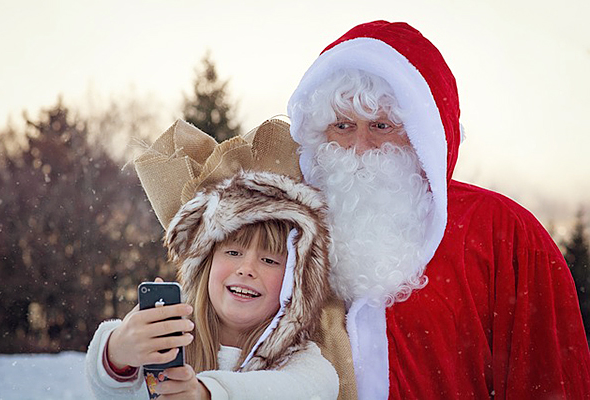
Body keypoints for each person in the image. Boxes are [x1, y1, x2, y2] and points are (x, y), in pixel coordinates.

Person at [286, 20, 590, 399]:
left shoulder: (503, 233)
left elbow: (549, 379)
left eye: (381, 125)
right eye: (343, 126)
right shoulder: (281, 232)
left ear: (422, 134)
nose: (360, 148)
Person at [85, 120, 339, 399]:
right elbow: (112, 389)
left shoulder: (306, 366)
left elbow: (298, 390)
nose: (246, 269)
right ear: (205, 264)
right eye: (232, 252)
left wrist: (206, 393)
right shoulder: (168, 343)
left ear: (296, 282)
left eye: (269, 260)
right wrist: (118, 351)